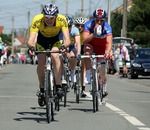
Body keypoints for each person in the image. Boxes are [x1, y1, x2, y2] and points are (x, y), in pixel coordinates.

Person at [27, 3, 71, 107]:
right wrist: (31, 47)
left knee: (55, 56)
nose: (49, 20)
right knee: (41, 62)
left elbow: (67, 39)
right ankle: (42, 89)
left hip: (56, 40)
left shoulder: (62, 19)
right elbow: (30, 40)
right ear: (43, 15)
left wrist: (64, 46)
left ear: (56, 16)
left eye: (52, 18)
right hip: (42, 41)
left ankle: (58, 86)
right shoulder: (37, 19)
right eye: (46, 17)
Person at [82, 9, 112, 97]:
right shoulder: (88, 24)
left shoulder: (107, 27)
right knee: (87, 52)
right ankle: (88, 74)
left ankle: (104, 86)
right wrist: (93, 33)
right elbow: (84, 40)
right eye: (97, 20)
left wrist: (107, 52)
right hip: (91, 45)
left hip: (102, 48)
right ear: (93, 19)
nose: (99, 22)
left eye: (101, 20)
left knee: (102, 69)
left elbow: (109, 42)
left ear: (104, 20)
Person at [64, 16, 81, 85]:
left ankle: (72, 71)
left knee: (73, 56)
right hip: (62, 47)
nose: (68, 28)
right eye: (66, 26)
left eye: (69, 26)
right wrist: (66, 52)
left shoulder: (75, 30)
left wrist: (78, 53)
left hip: (72, 46)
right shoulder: (60, 30)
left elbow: (78, 43)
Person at [74, 17, 87, 97]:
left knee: (83, 67)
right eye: (78, 25)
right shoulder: (73, 31)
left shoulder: (85, 32)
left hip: (83, 48)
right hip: (76, 47)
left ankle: (83, 88)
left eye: (82, 26)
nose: (80, 27)